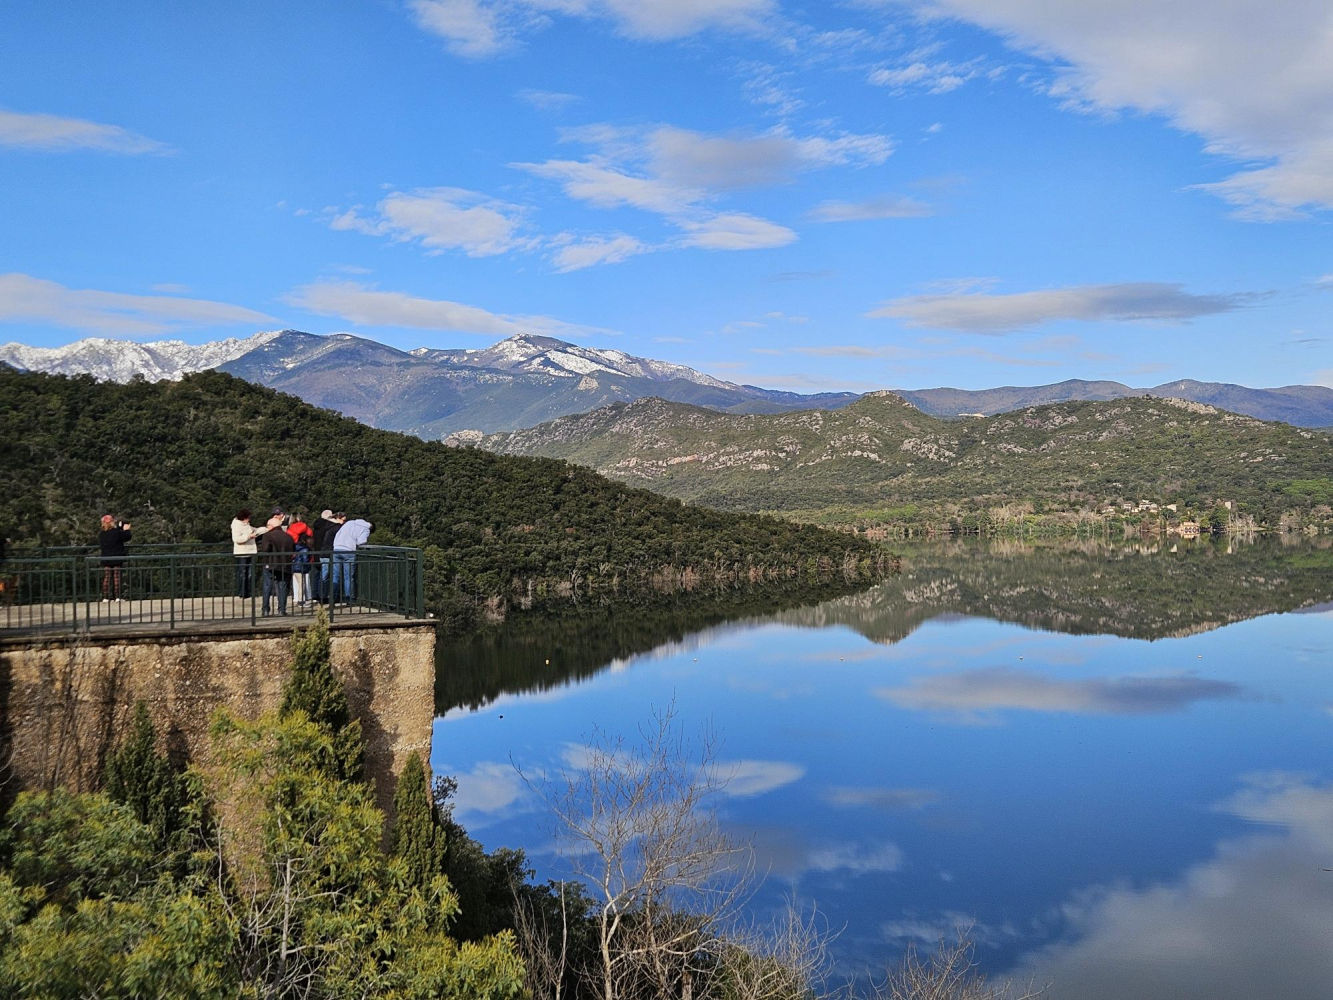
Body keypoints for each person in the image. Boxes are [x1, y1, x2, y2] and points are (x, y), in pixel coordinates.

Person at [230, 509, 273, 598]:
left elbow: (256, 530)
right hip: (242, 553)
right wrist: (249, 536)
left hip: (250, 552)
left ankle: (249, 592)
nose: (249, 519)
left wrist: (266, 529)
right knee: (243, 574)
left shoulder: (247, 525)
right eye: (248, 518)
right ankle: (242, 593)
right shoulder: (236, 526)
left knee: (250, 574)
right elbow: (237, 539)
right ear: (243, 518)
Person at [259, 515, 295, 615]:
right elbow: (293, 550)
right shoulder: (288, 536)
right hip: (285, 564)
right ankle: (282, 610)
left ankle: (265, 609)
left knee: (267, 585)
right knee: (282, 586)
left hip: (270, 563)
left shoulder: (268, 536)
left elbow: (265, 549)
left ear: (271, 526)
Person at [332, 513, 372, 603]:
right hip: (349, 551)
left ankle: (333, 597)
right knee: (348, 576)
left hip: (337, 548)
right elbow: (361, 542)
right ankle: (349, 598)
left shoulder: (349, 522)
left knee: (336, 575)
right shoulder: (366, 529)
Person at [98, 514, 132, 601]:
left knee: (107, 577)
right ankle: (117, 597)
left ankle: (105, 597)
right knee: (117, 577)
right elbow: (126, 537)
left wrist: (119, 529)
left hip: (106, 558)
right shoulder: (116, 532)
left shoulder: (102, 534)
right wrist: (126, 530)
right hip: (116, 557)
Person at [311, 509, 341, 602]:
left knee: (317, 574)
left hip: (316, 552)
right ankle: (323, 596)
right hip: (325, 552)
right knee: (325, 575)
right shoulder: (328, 527)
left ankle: (315, 594)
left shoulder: (316, 526)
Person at [287, 512, 313, 606]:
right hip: (302, 564)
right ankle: (302, 600)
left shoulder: (289, 530)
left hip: (293, 561)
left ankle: (296, 598)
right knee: (303, 582)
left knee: (296, 581)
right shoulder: (306, 529)